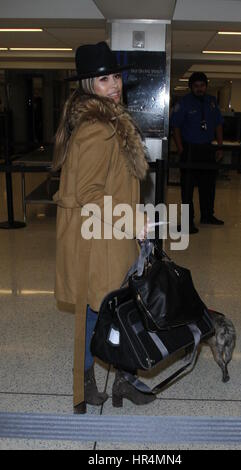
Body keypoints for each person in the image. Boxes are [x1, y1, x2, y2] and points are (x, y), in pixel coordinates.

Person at [52, 42, 155, 413]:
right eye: (102, 79)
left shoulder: (108, 121)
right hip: (99, 241)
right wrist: (133, 219)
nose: (113, 85)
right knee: (99, 311)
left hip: (110, 233)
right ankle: (89, 386)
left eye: (115, 77)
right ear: (86, 86)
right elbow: (90, 193)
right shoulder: (98, 129)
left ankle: (121, 380)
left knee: (118, 308)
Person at [171, 72, 224, 234]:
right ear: (191, 87)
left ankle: (207, 215)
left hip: (207, 148)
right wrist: (180, 148)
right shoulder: (184, 103)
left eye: (202, 85)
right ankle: (188, 222)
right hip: (190, 149)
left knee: (208, 185)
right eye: (196, 86)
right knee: (187, 188)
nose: (200, 89)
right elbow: (176, 127)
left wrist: (220, 146)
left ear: (206, 86)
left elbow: (218, 124)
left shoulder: (212, 102)